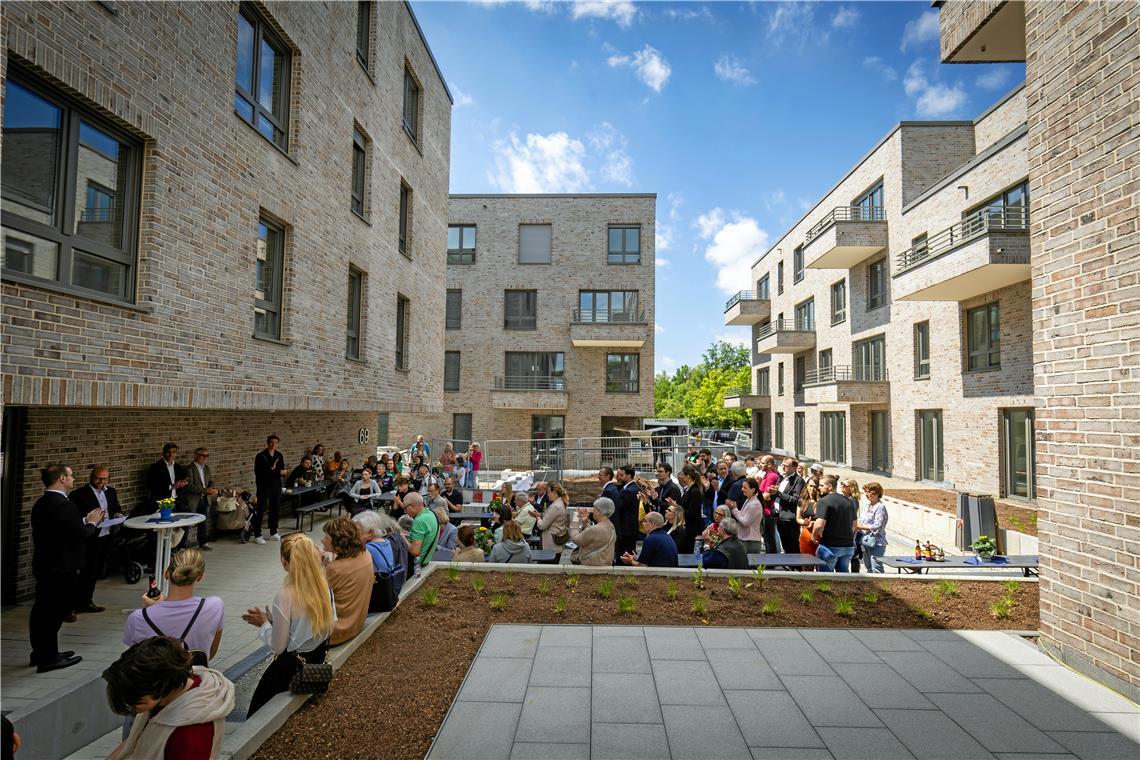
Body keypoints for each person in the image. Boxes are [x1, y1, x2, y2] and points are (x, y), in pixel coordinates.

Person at [242, 533, 334, 716]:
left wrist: (265, 625)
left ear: (284, 562)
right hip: (316, 660)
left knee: (257, 711)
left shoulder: (285, 595)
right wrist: (274, 621)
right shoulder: (324, 587)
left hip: (290, 669)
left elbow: (279, 646)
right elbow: (321, 625)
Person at [103, 636, 234, 760]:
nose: (130, 705)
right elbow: (136, 737)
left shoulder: (190, 734)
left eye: (133, 698)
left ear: (159, 685)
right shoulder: (175, 688)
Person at [30, 464, 101, 672]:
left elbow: (60, 529)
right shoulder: (63, 504)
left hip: (45, 564)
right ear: (61, 478)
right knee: (53, 612)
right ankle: (48, 657)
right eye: (70, 475)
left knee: (41, 610)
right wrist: (92, 523)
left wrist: (82, 521)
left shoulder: (42, 502)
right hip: (61, 567)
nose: (73, 479)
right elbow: (80, 534)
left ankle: (41, 652)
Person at [123, 548, 224, 664]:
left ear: (166, 573)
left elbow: (134, 661)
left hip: (155, 681)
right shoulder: (215, 606)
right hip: (196, 679)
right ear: (199, 576)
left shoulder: (138, 618)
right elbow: (210, 653)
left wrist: (154, 607)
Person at [70, 465, 123, 614]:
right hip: (88, 537)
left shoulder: (111, 492)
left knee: (94, 572)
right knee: (82, 572)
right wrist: (91, 520)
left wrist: (117, 515)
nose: (101, 481)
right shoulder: (78, 494)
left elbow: (116, 508)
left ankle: (86, 601)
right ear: (91, 477)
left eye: (104, 479)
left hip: (105, 535)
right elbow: (76, 517)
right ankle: (72, 605)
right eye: (98, 478)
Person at [321, 517, 373, 646]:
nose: (322, 540)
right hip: (356, 623)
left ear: (339, 543)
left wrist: (319, 566)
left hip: (336, 632)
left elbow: (309, 597)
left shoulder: (335, 569)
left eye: (326, 537)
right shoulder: (365, 554)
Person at [353, 510, 409, 595]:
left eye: (358, 530)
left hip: (377, 596)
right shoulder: (385, 541)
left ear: (371, 532)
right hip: (388, 590)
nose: (354, 534)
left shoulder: (367, 550)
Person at [813, 476, 858, 572]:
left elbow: (819, 524)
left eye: (821, 485)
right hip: (847, 546)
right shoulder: (849, 502)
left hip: (829, 546)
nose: (819, 488)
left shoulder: (824, 501)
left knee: (825, 579)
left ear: (829, 486)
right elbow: (854, 525)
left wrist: (813, 536)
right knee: (842, 578)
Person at [252, 434, 287, 544]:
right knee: (261, 510)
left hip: (276, 486)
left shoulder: (279, 455)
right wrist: (276, 471)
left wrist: (281, 472)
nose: (274, 444)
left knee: (275, 509)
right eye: (272, 442)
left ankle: (273, 531)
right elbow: (260, 473)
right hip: (264, 486)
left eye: (276, 442)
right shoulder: (261, 456)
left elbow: (281, 470)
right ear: (267, 443)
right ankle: (257, 534)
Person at [181, 448, 216, 551]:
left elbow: (211, 481)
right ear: (196, 455)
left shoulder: (207, 468)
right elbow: (190, 486)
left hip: (205, 499)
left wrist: (212, 488)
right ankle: (182, 545)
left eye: (207, 456)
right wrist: (206, 490)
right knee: (188, 523)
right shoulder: (189, 469)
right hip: (193, 500)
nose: (205, 458)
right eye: (202, 455)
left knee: (203, 521)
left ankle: (203, 543)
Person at [773, 457, 805, 558]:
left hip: (789, 518)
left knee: (792, 546)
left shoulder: (798, 480)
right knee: (785, 546)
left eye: (787, 466)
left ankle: (795, 569)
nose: (783, 467)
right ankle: (789, 567)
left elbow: (795, 499)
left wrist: (778, 493)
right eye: (782, 465)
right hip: (779, 515)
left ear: (795, 467)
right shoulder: (782, 477)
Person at [570, 497, 617, 567]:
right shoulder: (610, 525)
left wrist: (575, 520)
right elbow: (593, 536)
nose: (592, 511)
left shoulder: (595, 530)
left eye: (594, 509)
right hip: (605, 565)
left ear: (599, 512)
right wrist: (585, 522)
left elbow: (576, 539)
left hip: (591, 567)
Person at [856, 482, 889, 573]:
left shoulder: (880, 507)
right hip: (865, 540)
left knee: (876, 567)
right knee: (868, 566)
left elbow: (877, 525)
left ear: (878, 494)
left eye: (872, 492)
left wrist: (860, 527)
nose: (868, 494)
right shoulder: (867, 506)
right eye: (867, 492)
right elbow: (861, 519)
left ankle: (882, 585)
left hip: (877, 542)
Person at [729, 477, 765, 554]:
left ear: (753, 490)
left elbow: (745, 523)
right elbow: (742, 517)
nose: (742, 489)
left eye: (745, 487)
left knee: (749, 565)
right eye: (742, 487)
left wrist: (735, 510)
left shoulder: (755, 504)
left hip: (750, 542)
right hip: (745, 539)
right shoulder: (748, 500)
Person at [146, 443, 188, 509]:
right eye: (168, 452)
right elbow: (152, 485)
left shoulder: (177, 466)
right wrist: (171, 486)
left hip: (176, 500)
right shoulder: (156, 467)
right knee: (165, 518)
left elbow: (179, 482)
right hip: (163, 500)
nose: (171, 454)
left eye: (174, 452)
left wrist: (182, 483)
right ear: (163, 453)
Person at [404, 492, 438, 572]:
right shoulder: (431, 513)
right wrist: (406, 534)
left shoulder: (419, 520)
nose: (405, 511)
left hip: (417, 565)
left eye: (405, 508)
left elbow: (415, 551)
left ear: (414, 506)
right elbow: (424, 536)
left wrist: (402, 537)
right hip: (426, 561)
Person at [535, 483, 569, 561]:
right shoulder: (560, 503)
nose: (547, 495)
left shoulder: (555, 506)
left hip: (551, 545)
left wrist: (538, 518)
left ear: (554, 492)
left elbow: (542, 526)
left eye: (548, 492)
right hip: (555, 542)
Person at [613, 466, 640, 559]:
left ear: (628, 476)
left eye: (621, 475)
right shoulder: (634, 487)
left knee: (624, 554)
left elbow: (619, 508)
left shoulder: (628, 491)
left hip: (626, 529)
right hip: (631, 528)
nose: (619, 477)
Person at [797, 478, 822, 563]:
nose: (812, 489)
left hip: (820, 534)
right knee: (806, 563)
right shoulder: (802, 500)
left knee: (820, 563)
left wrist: (814, 522)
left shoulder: (822, 501)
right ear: (807, 486)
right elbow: (798, 518)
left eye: (815, 486)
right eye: (810, 486)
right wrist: (804, 522)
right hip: (806, 533)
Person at [841, 478, 863, 572]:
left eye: (845, 485)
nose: (842, 486)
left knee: (853, 554)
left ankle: (855, 574)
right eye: (841, 484)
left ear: (851, 488)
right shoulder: (843, 498)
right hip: (844, 529)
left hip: (849, 530)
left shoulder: (853, 501)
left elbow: (851, 517)